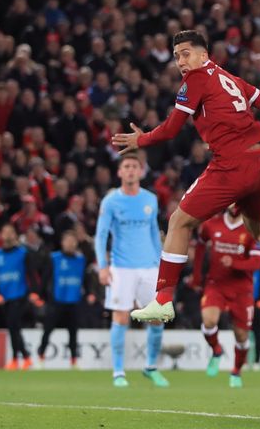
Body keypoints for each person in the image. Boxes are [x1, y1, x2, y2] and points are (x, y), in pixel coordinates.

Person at [111, 30, 260, 322]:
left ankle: (163, 299)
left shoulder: (195, 79)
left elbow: (171, 129)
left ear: (203, 55)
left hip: (231, 163)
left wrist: (140, 140)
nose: (181, 61)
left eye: (186, 54)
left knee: (178, 222)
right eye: (176, 57)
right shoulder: (229, 77)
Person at [94, 153, 168, 388]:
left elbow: (154, 233)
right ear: (119, 172)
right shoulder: (110, 201)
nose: (130, 170)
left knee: (156, 318)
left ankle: (150, 367)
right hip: (122, 268)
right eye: (126, 166)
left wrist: (162, 265)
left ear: (141, 171)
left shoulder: (150, 199)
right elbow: (101, 235)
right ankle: (118, 372)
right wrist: (103, 267)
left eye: (134, 166)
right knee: (121, 317)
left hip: (149, 267)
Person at [192, 205, 260, 388]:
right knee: (208, 321)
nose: (233, 205)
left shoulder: (251, 227)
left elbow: (256, 262)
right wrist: (197, 276)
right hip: (216, 284)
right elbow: (200, 245)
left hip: (241, 290)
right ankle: (216, 350)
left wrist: (234, 263)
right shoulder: (211, 225)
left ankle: (236, 371)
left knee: (241, 336)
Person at [37, 231, 89, 368]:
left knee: (73, 333)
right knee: (47, 330)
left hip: (74, 301)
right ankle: (40, 358)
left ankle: (73, 361)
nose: (70, 244)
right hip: (57, 300)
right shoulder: (54, 258)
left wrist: (89, 293)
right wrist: (40, 295)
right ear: (62, 243)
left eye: (73, 241)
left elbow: (86, 278)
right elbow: (45, 277)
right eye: (68, 241)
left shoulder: (81, 259)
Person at [0, 223, 39, 370]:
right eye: (4, 231)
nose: (7, 235)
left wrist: (33, 291)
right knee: (13, 327)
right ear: (0, 235)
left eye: (10, 232)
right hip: (4, 297)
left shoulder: (22, 253)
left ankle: (16, 359)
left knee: (13, 325)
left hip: (19, 295)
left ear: (15, 235)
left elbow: (31, 274)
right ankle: (24, 358)